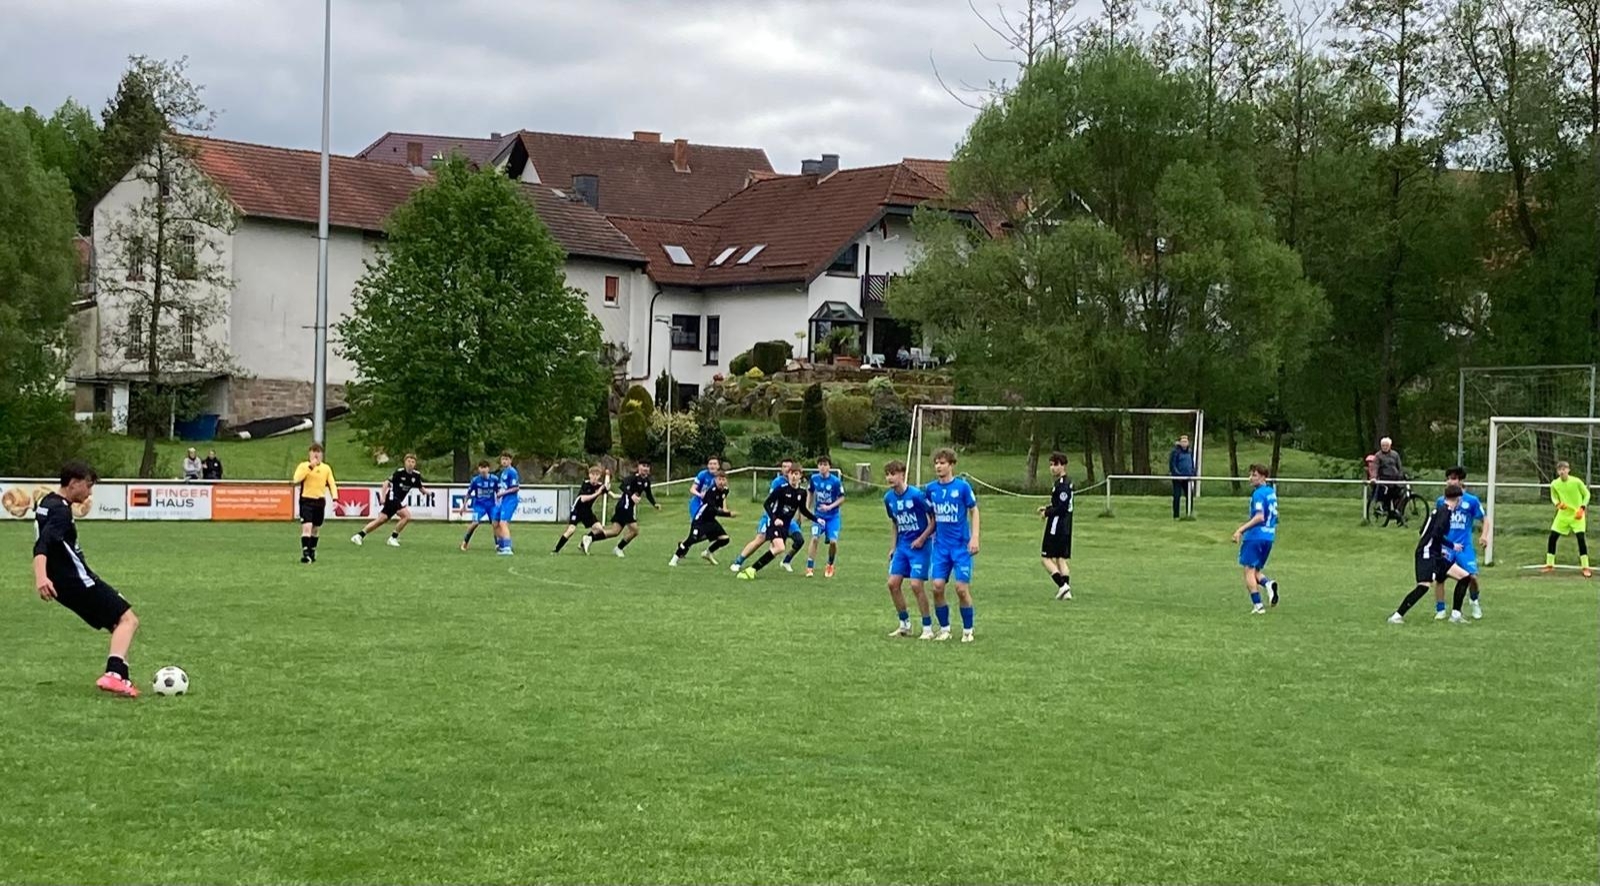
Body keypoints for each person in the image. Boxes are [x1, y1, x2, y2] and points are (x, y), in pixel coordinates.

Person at [33, 461, 141, 698]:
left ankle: (121, 677)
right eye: (88, 486)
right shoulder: (61, 511)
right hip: (77, 581)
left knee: (117, 623)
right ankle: (113, 675)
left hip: (64, 584)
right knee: (128, 619)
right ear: (73, 483)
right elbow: (44, 543)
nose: (90, 493)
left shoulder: (47, 502)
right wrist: (41, 576)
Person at [1389, 486, 1475, 624]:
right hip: (1427, 553)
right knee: (1423, 586)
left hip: (1434, 553)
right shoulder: (1445, 512)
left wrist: (1438, 549)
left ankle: (1456, 615)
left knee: (1464, 577)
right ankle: (1397, 616)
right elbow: (1436, 534)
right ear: (1458, 499)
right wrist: (1452, 546)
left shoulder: (1439, 510)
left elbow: (1424, 531)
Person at [926, 448, 980, 642]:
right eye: (936, 463)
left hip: (960, 546)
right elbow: (930, 514)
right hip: (941, 547)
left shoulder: (962, 487)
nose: (938, 466)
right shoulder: (931, 489)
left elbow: (974, 510)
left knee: (961, 589)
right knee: (937, 587)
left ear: (951, 465)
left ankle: (968, 630)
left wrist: (975, 537)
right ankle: (945, 629)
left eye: (942, 463)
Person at [883, 460, 935, 639]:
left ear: (902, 475)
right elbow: (895, 523)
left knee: (916, 585)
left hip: (920, 547)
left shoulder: (916, 496)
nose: (890, 478)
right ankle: (904, 624)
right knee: (892, 584)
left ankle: (927, 628)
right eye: (887, 474)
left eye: (893, 474)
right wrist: (893, 547)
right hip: (903, 546)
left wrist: (922, 539)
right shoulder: (888, 499)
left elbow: (933, 520)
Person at [737, 466, 818, 580]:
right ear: (788, 475)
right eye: (791, 474)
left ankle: (753, 569)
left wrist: (816, 519)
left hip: (785, 525)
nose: (793, 476)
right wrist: (774, 519)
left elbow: (803, 510)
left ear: (800, 476)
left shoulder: (802, 492)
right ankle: (750, 569)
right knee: (779, 547)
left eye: (796, 474)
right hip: (774, 523)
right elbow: (766, 504)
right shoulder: (781, 489)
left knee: (777, 549)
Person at [1432, 466, 1489, 619]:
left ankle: (1474, 600)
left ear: (1460, 481)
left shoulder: (1471, 501)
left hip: (1464, 547)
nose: (1450, 481)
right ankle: (1440, 609)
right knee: (1440, 578)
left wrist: (1484, 536)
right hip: (1446, 547)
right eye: (1448, 478)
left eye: (1454, 478)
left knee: (1472, 577)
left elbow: (1485, 519)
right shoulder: (1441, 501)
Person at [730, 458, 805, 573]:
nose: (786, 469)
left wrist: (800, 517)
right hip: (772, 517)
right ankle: (738, 562)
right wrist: (773, 519)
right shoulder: (778, 482)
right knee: (760, 539)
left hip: (787, 520)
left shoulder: (797, 483)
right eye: (784, 467)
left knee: (799, 540)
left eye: (788, 467)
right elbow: (771, 503)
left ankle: (786, 561)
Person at [1231, 464, 1280, 615]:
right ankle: (1268, 584)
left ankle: (1258, 606)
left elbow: (1259, 517)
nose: (1251, 478)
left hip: (1255, 537)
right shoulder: (1271, 492)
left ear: (1264, 477)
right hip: (1268, 537)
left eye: (1254, 475)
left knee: (1248, 570)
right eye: (1251, 475)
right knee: (1255, 570)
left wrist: (1240, 530)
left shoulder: (1258, 494)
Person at [352, 453, 428, 547]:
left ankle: (359, 535)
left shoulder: (416, 475)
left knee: (381, 520)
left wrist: (426, 492)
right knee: (406, 516)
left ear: (415, 464)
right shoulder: (399, 472)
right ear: (404, 463)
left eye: (412, 462)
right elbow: (386, 483)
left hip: (397, 500)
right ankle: (393, 538)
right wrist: (383, 497)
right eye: (408, 461)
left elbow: (420, 487)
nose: (410, 463)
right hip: (392, 497)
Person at [670, 472, 736, 566]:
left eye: (723, 479)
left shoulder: (725, 490)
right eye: (719, 479)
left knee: (725, 539)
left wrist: (725, 509)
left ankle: (707, 553)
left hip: (711, 520)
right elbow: (713, 510)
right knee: (692, 539)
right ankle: (674, 559)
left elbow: (722, 500)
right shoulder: (711, 492)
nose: (721, 482)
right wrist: (728, 514)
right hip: (700, 520)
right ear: (715, 480)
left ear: (726, 481)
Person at [601, 461, 659, 556]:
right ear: (639, 467)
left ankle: (590, 537)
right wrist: (631, 495)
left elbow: (648, 494)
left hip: (628, 508)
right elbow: (622, 486)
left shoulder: (646, 481)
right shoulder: (633, 478)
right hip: (624, 506)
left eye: (647, 466)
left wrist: (654, 504)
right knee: (635, 530)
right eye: (643, 466)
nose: (645, 468)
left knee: (614, 532)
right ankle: (619, 548)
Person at [1038, 451, 1075, 600]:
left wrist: (1047, 513)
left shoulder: (1063, 485)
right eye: (1051, 465)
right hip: (1066, 525)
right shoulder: (1065, 482)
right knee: (1060, 558)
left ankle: (1062, 585)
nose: (1052, 468)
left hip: (1057, 525)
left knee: (1046, 558)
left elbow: (1062, 507)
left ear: (1063, 466)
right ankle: (1066, 592)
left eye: (1055, 465)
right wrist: (1047, 508)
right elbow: (1058, 504)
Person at [292, 443, 337, 564]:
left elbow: (332, 483)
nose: (316, 455)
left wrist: (335, 499)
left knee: (315, 528)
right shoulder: (303, 466)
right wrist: (310, 467)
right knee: (307, 526)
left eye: (318, 452)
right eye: (313, 452)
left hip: (319, 501)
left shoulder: (326, 468)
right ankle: (305, 553)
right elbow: (296, 479)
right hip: (306, 500)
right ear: (310, 454)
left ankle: (312, 551)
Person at [1545, 460, 1591, 576]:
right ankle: (1549, 564)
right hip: (1563, 515)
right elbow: (1554, 497)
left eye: (1564, 469)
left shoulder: (1576, 482)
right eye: (1560, 470)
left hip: (1577, 515)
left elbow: (1587, 494)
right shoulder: (1555, 484)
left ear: (1568, 470)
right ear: (1557, 471)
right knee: (1552, 537)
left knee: (1581, 539)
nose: (1562, 472)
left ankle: (1585, 567)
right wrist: (1558, 504)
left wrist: (1582, 508)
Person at [553, 465, 610, 554]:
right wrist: (598, 493)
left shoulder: (599, 486)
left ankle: (583, 543)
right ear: (589, 475)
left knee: (599, 529)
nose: (595, 477)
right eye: (593, 474)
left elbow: (607, 489)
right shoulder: (586, 484)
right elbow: (583, 499)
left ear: (599, 476)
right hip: (577, 509)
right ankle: (556, 550)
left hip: (587, 511)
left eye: (597, 475)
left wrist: (608, 476)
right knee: (571, 530)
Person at [805, 455, 846, 578]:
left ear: (829, 467)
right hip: (818, 517)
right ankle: (809, 567)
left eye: (825, 464)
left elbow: (842, 498)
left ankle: (830, 564)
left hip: (833, 517)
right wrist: (807, 508)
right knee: (814, 538)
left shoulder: (835, 481)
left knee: (833, 542)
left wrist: (830, 507)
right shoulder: (814, 478)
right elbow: (810, 492)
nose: (822, 467)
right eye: (820, 465)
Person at [458, 461, 501, 551]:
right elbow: (468, 494)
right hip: (479, 506)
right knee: (475, 523)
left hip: (491, 506)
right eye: (481, 468)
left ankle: (498, 544)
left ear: (488, 469)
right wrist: (463, 506)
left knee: (495, 523)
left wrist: (499, 503)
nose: (483, 470)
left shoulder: (494, 479)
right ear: (478, 469)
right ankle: (465, 542)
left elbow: (498, 492)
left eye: (485, 468)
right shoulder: (475, 480)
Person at [493, 451, 520, 556]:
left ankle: (507, 548)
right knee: (495, 523)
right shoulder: (503, 472)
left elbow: (516, 488)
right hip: (502, 501)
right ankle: (501, 545)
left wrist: (502, 493)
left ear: (510, 461)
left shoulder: (512, 472)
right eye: (503, 459)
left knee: (503, 523)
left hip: (510, 500)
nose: (504, 461)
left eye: (506, 459)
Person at [1374, 437, 1405, 525]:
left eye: (1386, 445)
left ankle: (1398, 514)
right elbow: (1375, 467)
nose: (1384, 447)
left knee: (1399, 497)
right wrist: (1374, 477)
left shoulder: (1395, 454)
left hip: (1395, 480)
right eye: (1383, 445)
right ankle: (1385, 510)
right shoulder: (1378, 456)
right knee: (1386, 496)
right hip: (1384, 480)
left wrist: (1401, 476)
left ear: (1390, 446)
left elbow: (1399, 467)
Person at [1168, 435, 1196, 519]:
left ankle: (1189, 513)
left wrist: (1192, 473)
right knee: (1177, 496)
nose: (1184, 443)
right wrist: (1177, 475)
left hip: (1188, 478)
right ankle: (1176, 515)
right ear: (1179, 442)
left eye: (1186, 441)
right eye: (1183, 441)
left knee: (1190, 496)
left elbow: (1192, 464)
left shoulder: (1189, 452)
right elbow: (1172, 465)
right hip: (1178, 479)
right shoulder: (1175, 452)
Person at [689, 456, 722, 522]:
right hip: (697, 502)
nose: (712, 466)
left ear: (718, 466)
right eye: (710, 464)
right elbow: (692, 489)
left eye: (715, 464)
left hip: (709, 504)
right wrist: (700, 495)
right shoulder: (702, 474)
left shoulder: (720, 477)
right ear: (707, 465)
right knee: (698, 521)